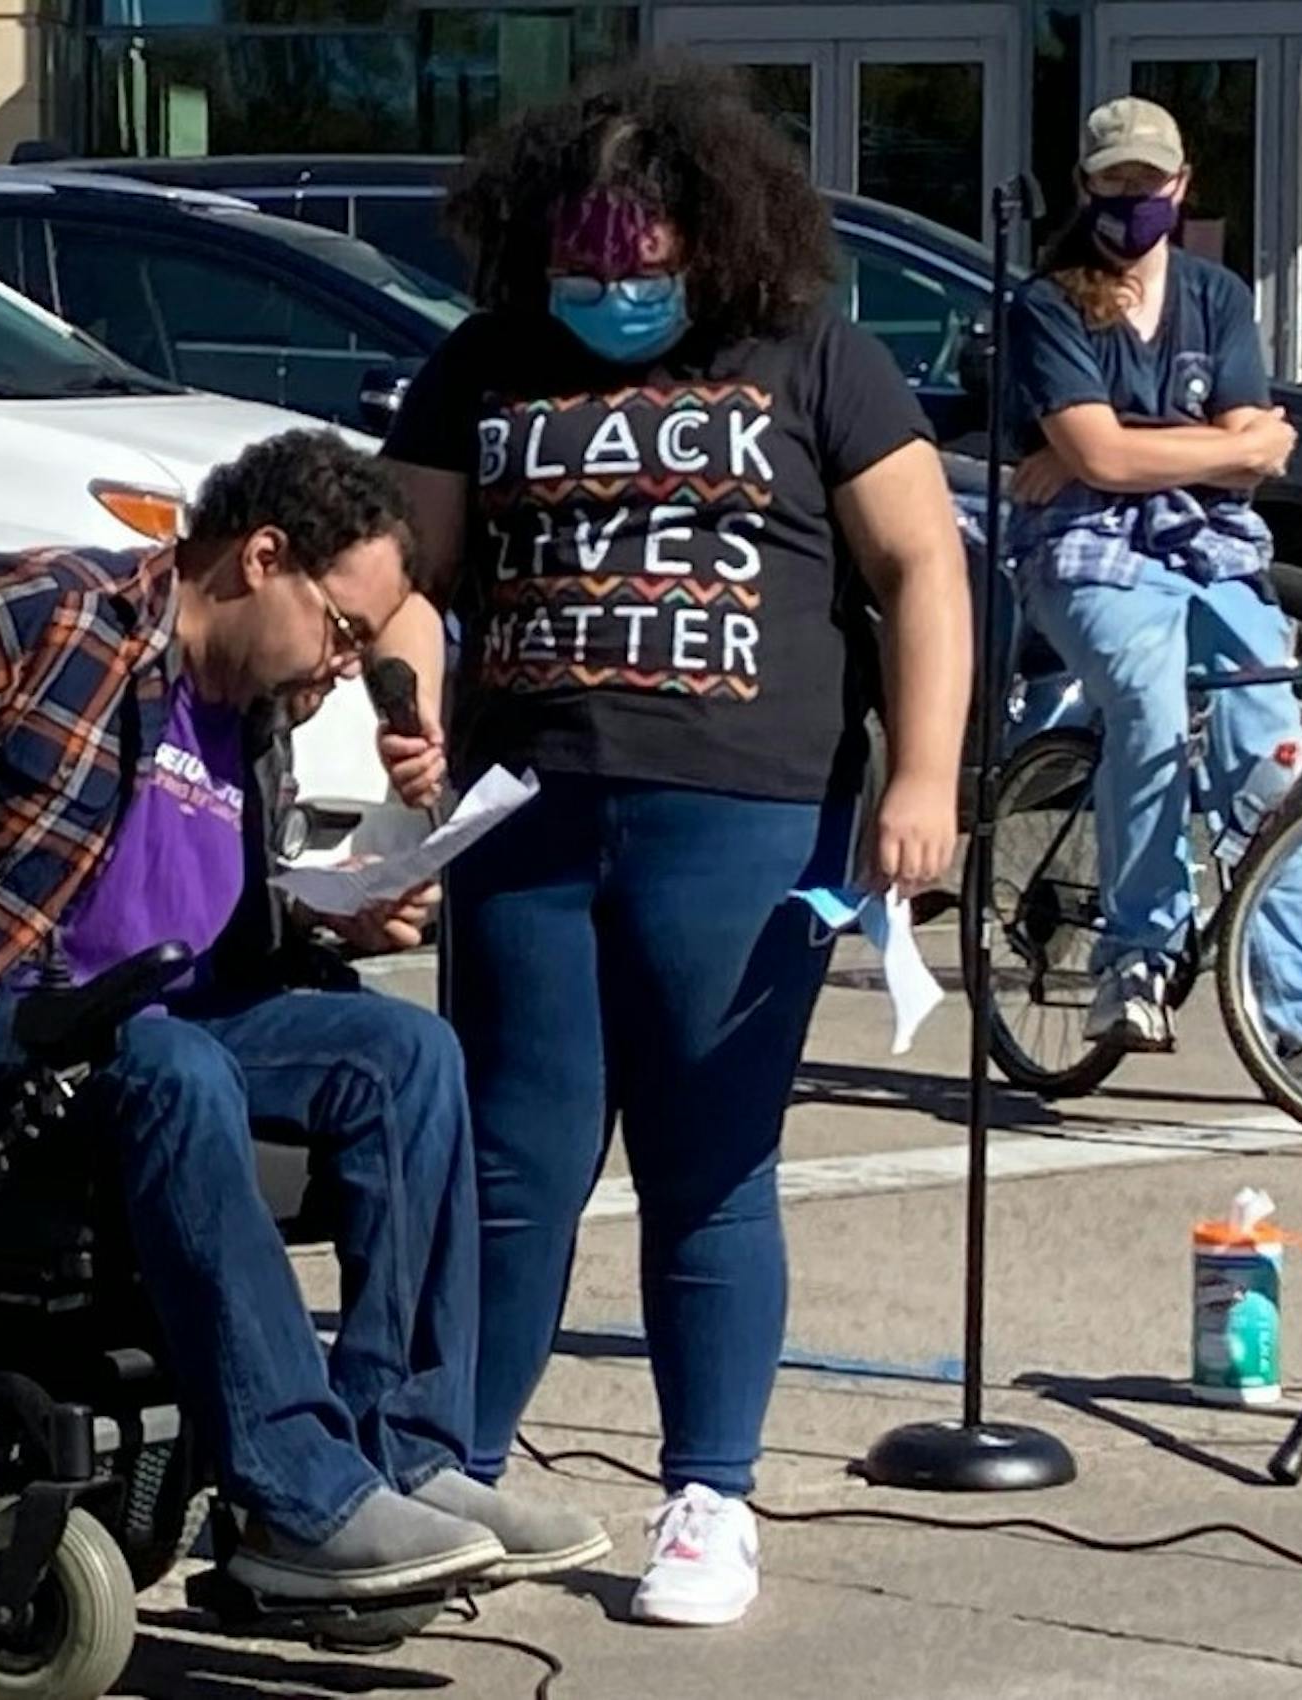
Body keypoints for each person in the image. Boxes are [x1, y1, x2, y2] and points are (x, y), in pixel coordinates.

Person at [0, 430, 610, 1605]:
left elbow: (187, 910)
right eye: (344, 631)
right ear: (261, 558)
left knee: (404, 1053)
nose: (346, 665)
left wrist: (340, 920)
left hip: (161, 1016)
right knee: (173, 1060)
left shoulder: (245, 711)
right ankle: (296, 1499)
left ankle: (408, 1455)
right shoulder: (56, 617)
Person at [368, 63, 973, 1627]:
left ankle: (710, 1491)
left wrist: (925, 779)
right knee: (513, 1163)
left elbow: (922, 567)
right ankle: (450, 1472)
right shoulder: (484, 366)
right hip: (528, 816)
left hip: (745, 812)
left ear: (714, 235)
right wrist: (406, 705)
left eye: (644, 260)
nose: (615, 290)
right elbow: (414, 576)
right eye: (584, 263)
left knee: (711, 1163)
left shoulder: (813, 357)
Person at [1008, 96, 1302, 1113]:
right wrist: (1177, 449)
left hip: (1212, 551)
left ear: (1182, 183)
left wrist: (1124, 451)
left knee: (1272, 761)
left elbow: (1252, 456)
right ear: (1084, 186)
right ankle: (1135, 958)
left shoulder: (1216, 296)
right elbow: (1118, 458)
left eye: (1149, 180)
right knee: (1147, 705)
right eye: (1114, 180)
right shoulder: (1049, 305)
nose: (1133, 198)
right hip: (1087, 554)